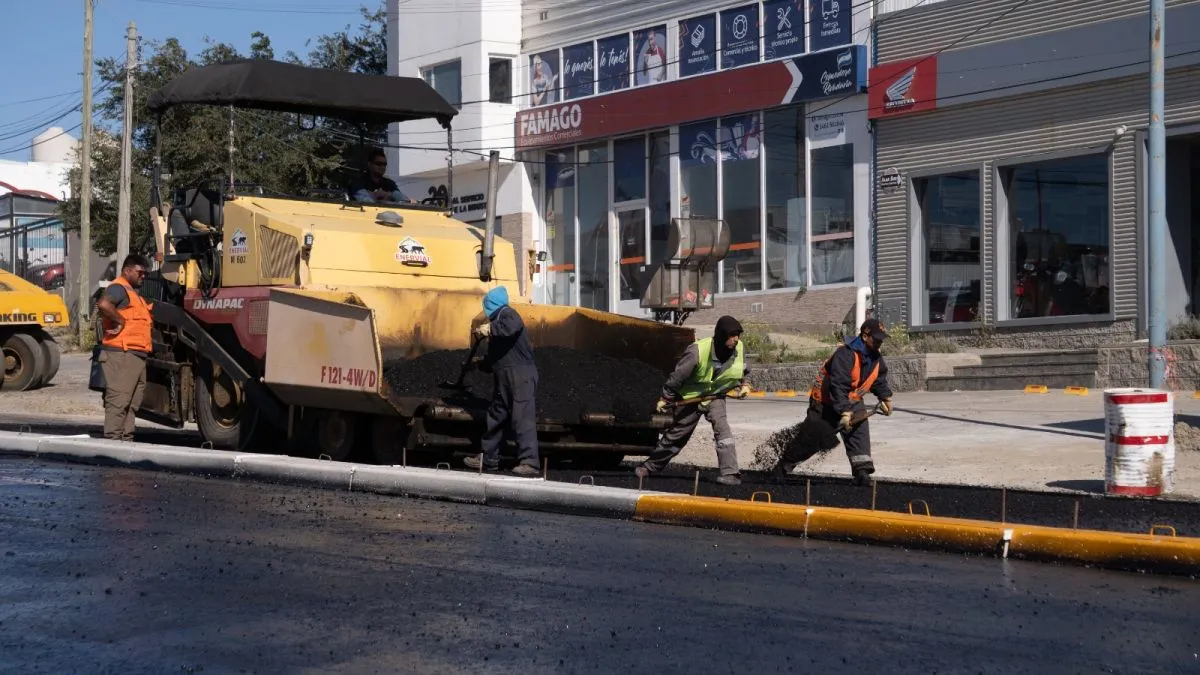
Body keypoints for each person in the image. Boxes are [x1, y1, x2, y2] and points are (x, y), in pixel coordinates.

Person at [634, 315, 752, 486]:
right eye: (732, 335)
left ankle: (731, 473)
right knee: (678, 435)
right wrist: (665, 398)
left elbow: (745, 369)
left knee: (723, 431)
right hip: (691, 397)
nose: (736, 339)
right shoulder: (697, 351)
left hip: (715, 396)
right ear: (720, 335)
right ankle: (649, 467)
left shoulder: (738, 348)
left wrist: (745, 385)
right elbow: (677, 377)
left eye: (738, 335)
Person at [463, 286, 541, 477]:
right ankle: (488, 458)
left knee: (522, 417)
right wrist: (480, 363)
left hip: (520, 376)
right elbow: (497, 357)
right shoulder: (498, 323)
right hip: (504, 377)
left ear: (491, 304)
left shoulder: (508, 314)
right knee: (496, 416)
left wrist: (489, 329)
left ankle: (530, 462)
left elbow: (512, 326)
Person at [807, 318, 895, 486]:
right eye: (876, 338)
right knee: (812, 440)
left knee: (859, 433)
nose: (879, 342)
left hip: (852, 400)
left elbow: (878, 379)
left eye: (881, 338)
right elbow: (838, 385)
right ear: (864, 336)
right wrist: (844, 411)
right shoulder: (845, 354)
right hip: (825, 402)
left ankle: (862, 473)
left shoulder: (875, 357)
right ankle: (782, 469)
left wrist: (885, 397)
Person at [94, 254, 154, 442]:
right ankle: (112, 444)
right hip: (122, 354)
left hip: (135, 354)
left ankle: (125, 441)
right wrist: (120, 319)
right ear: (127, 270)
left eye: (145, 273)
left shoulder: (132, 294)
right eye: (140, 273)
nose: (143, 277)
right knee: (119, 401)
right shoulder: (118, 288)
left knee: (132, 403)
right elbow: (104, 304)